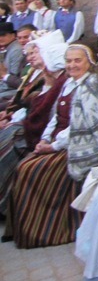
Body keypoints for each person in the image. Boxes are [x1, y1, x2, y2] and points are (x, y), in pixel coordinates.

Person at [5, 44, 98, 248]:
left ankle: (49, 230)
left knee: (29, 170)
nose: (72, 65)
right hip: (64, 140)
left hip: (90, 146)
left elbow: (82, 127)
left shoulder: (96, 86)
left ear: (90, 61)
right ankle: (22, 228)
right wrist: (45, 139)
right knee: (23, 166)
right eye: (68, 61)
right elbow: (55, 116)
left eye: (78, 60)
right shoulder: (70, 83)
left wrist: (53, 147)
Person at [0, 30, 68, 215]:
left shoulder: (61, 80)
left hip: (52, 135)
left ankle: (6, 203)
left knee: (9, 142)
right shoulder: (47, 77)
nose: (31, 57)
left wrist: (47, 141)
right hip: (38, 127)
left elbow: (46, 113)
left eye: (36, 52)